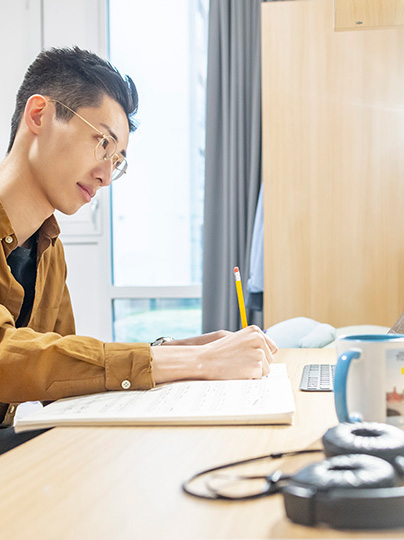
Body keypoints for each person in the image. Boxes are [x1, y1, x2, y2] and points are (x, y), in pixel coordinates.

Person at [0, 47, 277, 452]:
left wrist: (175, 351)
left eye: (117, 161)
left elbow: (59, 373)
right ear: (39, 115)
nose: (106, 175)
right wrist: (195, 364)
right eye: (102, 144)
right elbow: (8, 357)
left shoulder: (49, 250)